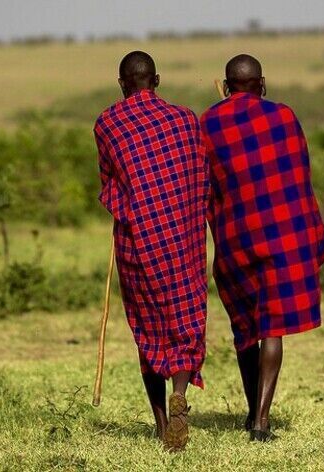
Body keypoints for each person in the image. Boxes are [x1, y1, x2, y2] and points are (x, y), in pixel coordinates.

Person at [201, 54, 324, 442]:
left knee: (245, 328)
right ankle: (260, 422)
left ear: (225, 86)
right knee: (271, 327)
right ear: (262, 84)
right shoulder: (285, 117)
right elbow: (298, 177)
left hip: (236, 239)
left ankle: (251, 412)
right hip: (282, 236)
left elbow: (205, 187)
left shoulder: (207, 123)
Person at [94, 51, 208, 451]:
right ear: (156, 80)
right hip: (182, 239)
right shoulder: (185, 120)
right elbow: (200, 180)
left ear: (122, 83)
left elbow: (109, 186)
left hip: (137, 241)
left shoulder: (107, 123)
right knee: (184, 316)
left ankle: (162, 423)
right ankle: (181, 395)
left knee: (147, 327)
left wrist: (128, 207)